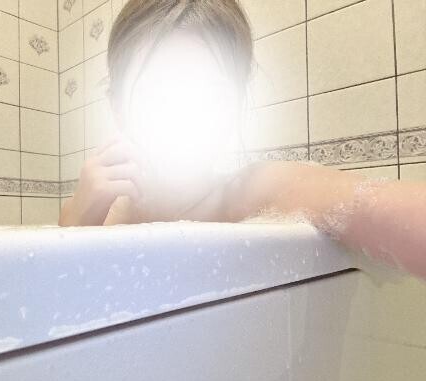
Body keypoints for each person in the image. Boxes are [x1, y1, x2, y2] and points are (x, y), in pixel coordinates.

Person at [59, 0, 426, 281]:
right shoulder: (96, 211)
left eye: (211, 97)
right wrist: (76, 225)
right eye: (158, 95)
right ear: (118, 108)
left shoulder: (253, 193)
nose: (185, 115)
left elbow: (380, 209)